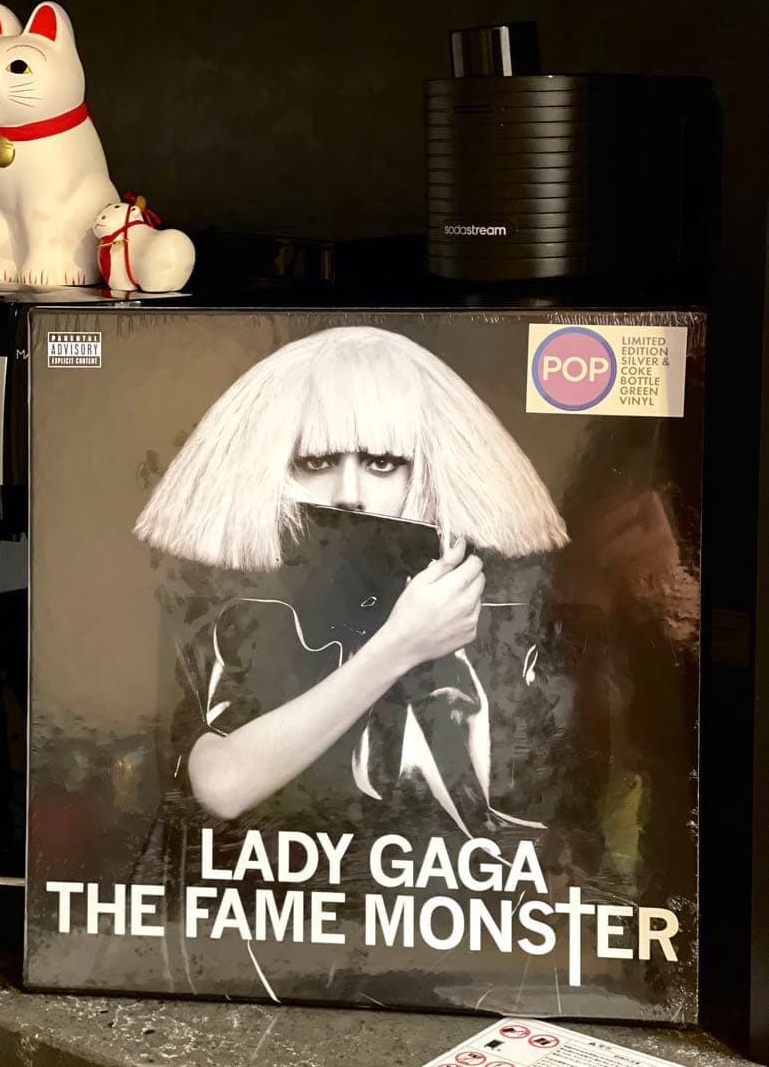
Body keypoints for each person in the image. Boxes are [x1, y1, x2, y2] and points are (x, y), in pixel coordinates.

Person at [135, 325, 568, 841]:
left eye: (381, 463)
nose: (348, 493)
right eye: (317, 462)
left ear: (425, 474)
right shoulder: (225, 607)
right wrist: (400, 646)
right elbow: (220, 785)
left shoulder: (500, 618)